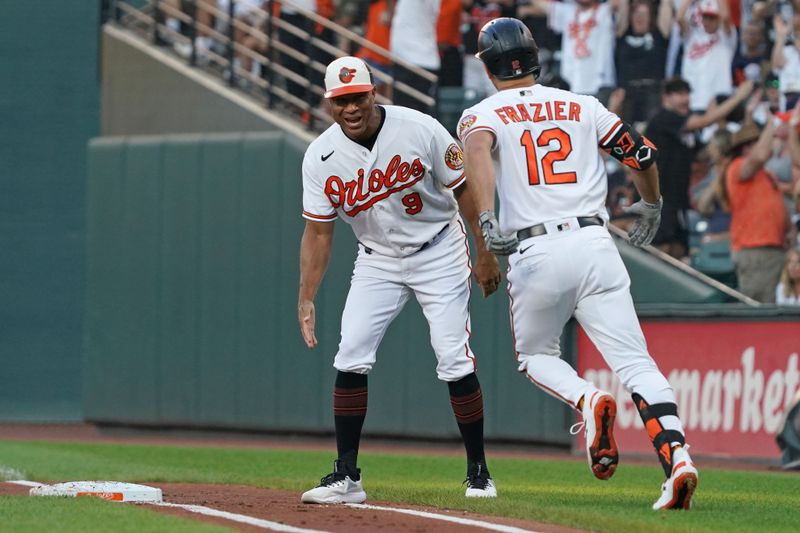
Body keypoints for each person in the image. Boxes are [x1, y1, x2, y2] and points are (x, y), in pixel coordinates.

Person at [460, 17, 698, 510]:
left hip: (536, 249)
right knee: (638, 364)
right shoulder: (583, 104)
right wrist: (651, 203)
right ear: (535, 57)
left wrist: (485, 220)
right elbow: (641, 154)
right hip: (595, 243)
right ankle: (678, 459)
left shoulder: (482, 112)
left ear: (488, 67)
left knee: (537, 357)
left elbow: (477, 152)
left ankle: (589, 402)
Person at [298, 56, 500, 504]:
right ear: (329, 103)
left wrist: (484, 252)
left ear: (374, 93)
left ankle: (479, 473)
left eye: (358, 97)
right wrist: (306, 296)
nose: (351, 108)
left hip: (439, 249)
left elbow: (464, 189)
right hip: (378, 259)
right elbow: (318, 231)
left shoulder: (420, 128)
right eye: (340, 100)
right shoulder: (321, 155)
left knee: (453, 355)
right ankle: (347, 476)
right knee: (350, 352)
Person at [645, 77, 754, 259]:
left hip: (678, 199)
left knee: (680, 248)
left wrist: (721, 129)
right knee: (661, 248)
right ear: (666, 97)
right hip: (661, 197)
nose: (685, 99)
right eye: (679, 94)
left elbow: (702, 154)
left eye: (687, 94)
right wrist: (738, 97)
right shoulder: (664, 118)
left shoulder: (684, 129)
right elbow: (704, 121)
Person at [724, 120, 791, 302]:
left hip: (773, 248)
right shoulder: (737, 167)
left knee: (774, 305)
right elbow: (760, 156)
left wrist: (789, 229)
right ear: (747, 147)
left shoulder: (765, 173)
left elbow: (777, 204)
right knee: (760, 307)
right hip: (755, 249)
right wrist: (773, 123)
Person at [519, 0, 628, 98]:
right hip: (570, 87)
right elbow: (541, 4)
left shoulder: (606, 10)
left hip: (600, 86)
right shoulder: (567, 11)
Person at [615, 0, 672, 123]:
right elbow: (623, 9)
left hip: (652, 91)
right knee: (628, 135)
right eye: (636, 14)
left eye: (644, 14)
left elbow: (666, 7)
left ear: (650, 18)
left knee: (650, 134)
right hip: (627, 93)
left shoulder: (658, 36)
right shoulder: (623, 35)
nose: (640, 17)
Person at [677, 0, 737, 113]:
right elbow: (680, 18)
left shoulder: (726, 37)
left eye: (712, 18)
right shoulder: (691, 37)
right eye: (705, 17)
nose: (707, 21)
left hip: (717, 103)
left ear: (718, 20)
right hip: (693, 101)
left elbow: (725, 17)